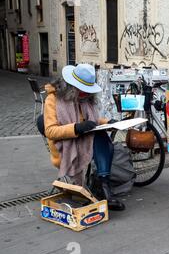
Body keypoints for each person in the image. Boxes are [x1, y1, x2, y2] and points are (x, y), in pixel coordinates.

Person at [44, 64, 126, 211]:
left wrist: (108, 122)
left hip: (84, 139)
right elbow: (50, 131)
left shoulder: (84, 99)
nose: (86, 94)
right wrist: (76, 128)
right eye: (82, 90)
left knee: (101, 135)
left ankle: (104, 185)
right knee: (98, 138)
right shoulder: (53, 99)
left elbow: (92, 120)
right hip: (65, 144)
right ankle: (104, 188)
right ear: (71, 86)